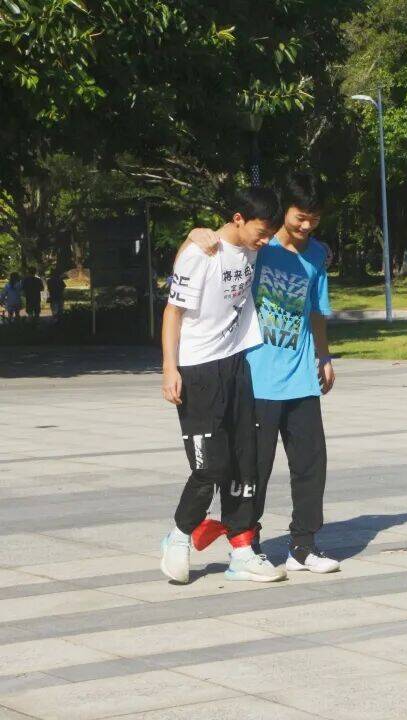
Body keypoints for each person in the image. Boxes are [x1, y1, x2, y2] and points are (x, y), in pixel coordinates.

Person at [185, 172, 338, 574]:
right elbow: (217, 245)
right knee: (253, 470)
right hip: (256, 376)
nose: (306, 225)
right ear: (284, 210)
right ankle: (246, 545)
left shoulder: (317, 254)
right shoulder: (258, 247)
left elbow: (316, 310)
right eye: (300, 216)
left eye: (314, 218)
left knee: (311, 465)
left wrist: (324, 356)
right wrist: (194, 234)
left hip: (301, 376)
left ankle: (303, 546)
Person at [159, 187, 286, 585]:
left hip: (236, 363)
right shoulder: (201, 253)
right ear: (238, 219)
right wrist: (169, 367)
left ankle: (243, 550)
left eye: (269, 234)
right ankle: (180, 534)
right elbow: (172, 312)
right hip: (197, 370)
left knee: (245, 460)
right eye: (261, 232)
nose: (264, 241)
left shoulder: (251, 248)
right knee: (209, 467)